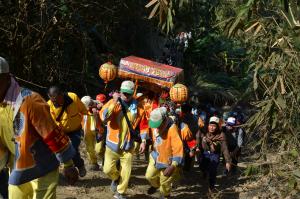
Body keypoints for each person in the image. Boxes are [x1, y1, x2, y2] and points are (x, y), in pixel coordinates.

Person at [0, 57, 78, 199]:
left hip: (43, 168)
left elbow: (51, 132)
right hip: (18, 167)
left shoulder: (30, 101)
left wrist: (68, 164)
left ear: (5, 77)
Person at [99, 80, 142, 199]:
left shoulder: (138, 106)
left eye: (129, 93)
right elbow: (103, 117)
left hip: (128, 145)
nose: (126, 96)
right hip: (112, 144)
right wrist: (113, 102)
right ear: (120, 91)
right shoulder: (112, 102)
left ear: (133, 92)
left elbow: (143, 123)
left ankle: (121, 192)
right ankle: (116, 178)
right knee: (107, 169)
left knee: (126, 171)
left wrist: (143, 140)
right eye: (124, 93)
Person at [48, 85, 88, 177]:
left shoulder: (73, 97)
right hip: (60, 132)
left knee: (73, 149)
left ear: (61, 95)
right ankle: (67, 171)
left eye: (57, 100)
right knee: (60, 152)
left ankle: (80, 166)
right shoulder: (49, 105)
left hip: (75, 131)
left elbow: (83, 110)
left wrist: (91, 117)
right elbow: (51, 122)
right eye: (53, 101)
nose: (55, 103)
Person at [145, 107, 184, 199]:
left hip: (168, 161)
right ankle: (155, 186)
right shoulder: (155, 127)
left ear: (164, 120)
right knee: (149, 176)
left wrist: (173, 165)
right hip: (155, 156)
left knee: (164, 183)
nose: (156, 126)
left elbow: (178, 148)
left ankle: (166, 195)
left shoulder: (172, 129)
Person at [198, 116, 232, 193]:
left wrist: (227, 161)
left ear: (217, 127)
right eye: (210, 125)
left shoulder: (221, 135)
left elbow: (225, 148)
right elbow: (198, 135)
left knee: (213, 170)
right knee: (202, 166)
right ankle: (204, 172)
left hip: (215, 154)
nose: (212, 128)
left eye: (214, 126)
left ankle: (211, 186)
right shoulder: (204, 131)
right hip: (205, 153)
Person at [81, 96, 102, 171]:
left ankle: (104, 160)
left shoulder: (97, 104)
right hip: (87, 128)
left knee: (99, 148)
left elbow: (101, 105)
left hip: (98, 128)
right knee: (89, 147)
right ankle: (94, 163)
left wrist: (97, 110)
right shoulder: (81, 108)